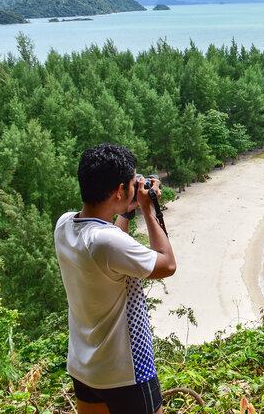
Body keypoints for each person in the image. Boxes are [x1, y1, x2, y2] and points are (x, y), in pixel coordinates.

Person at [54, 143, 176, 414]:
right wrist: (148, 208)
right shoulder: (106, 242)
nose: (137, 187)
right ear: (119, 190)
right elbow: (167, 265)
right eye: (133, 183)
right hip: (126, 371)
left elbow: (110, 242)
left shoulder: (64, 225)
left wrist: (125, 210)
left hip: (85, 367)